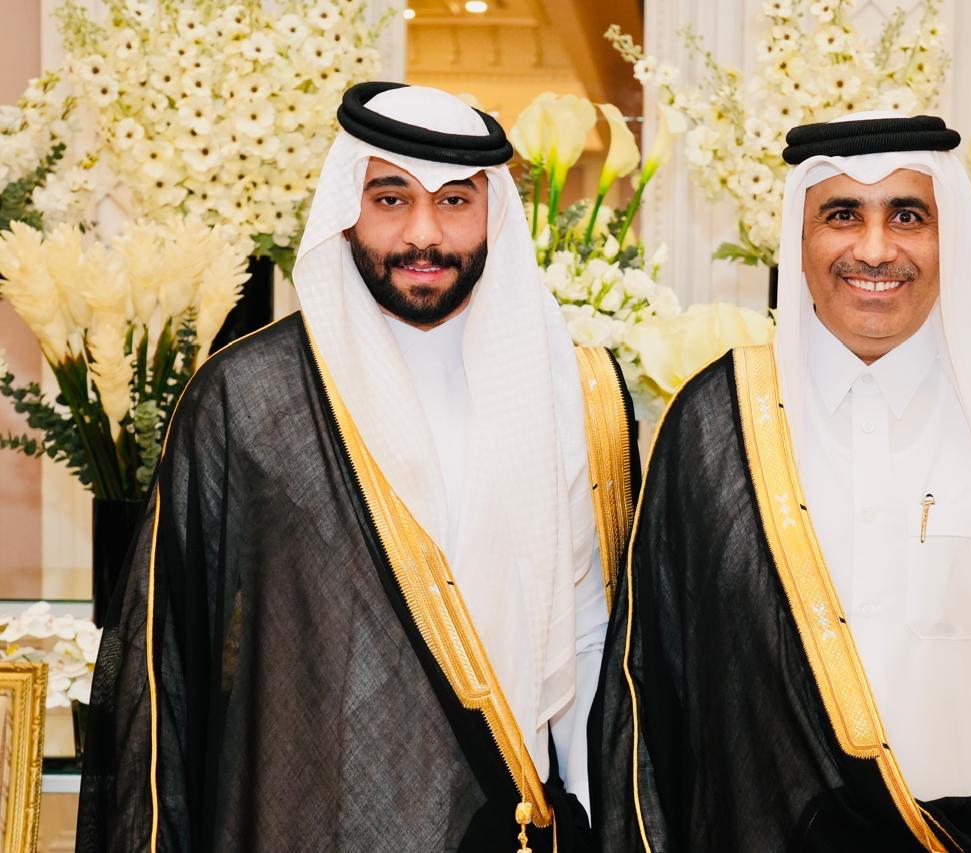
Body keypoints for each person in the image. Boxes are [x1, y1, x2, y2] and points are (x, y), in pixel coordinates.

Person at [77, 82, 637, 852]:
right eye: (391, 198)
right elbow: (169, 664)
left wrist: (594, 821)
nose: (423, 233)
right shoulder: (252, 399)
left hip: (508, 822)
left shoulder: (570, 393)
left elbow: (588, 639)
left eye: (454, 201)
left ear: (494, 213)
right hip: (312, 824)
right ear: (348, 206)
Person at [592, 113, 971, 852]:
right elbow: (656, 690)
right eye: (842, 215)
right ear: (800, 241)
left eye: (908, 216)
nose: (875, 248)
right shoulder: (718, 422)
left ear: (948, 235)